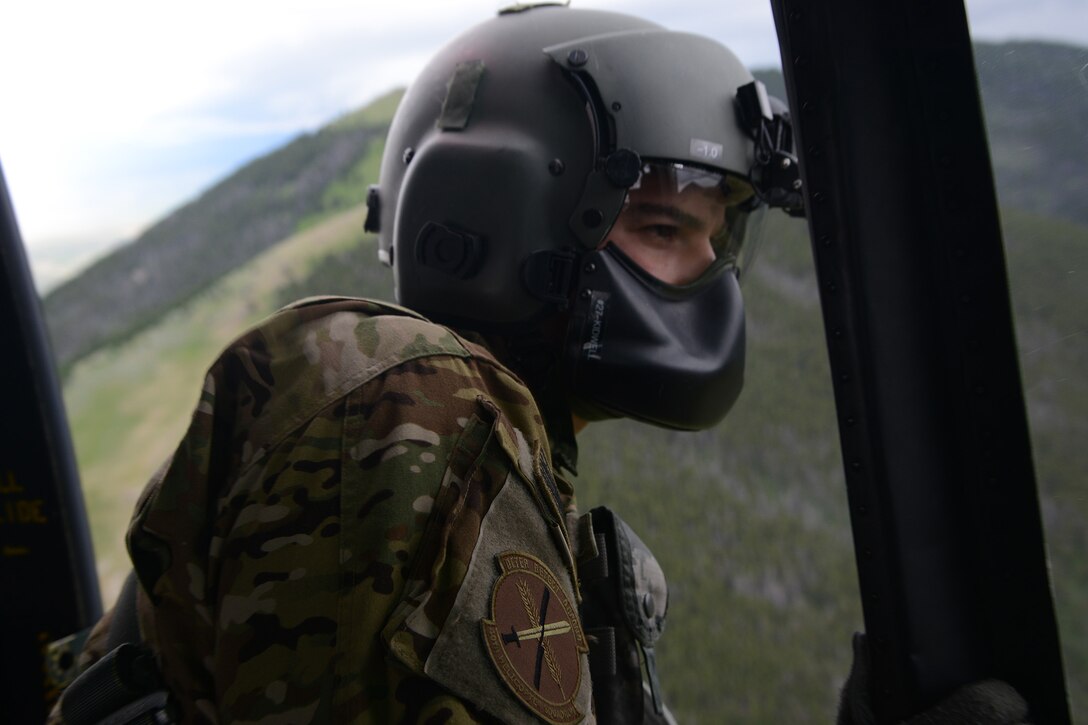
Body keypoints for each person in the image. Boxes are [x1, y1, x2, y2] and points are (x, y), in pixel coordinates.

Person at [52, 4, 1026, 724]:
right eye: (661, 226)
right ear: (488, 214)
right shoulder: (412, 400)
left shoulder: (506, 471)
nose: (705, 276)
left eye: (716, 236)